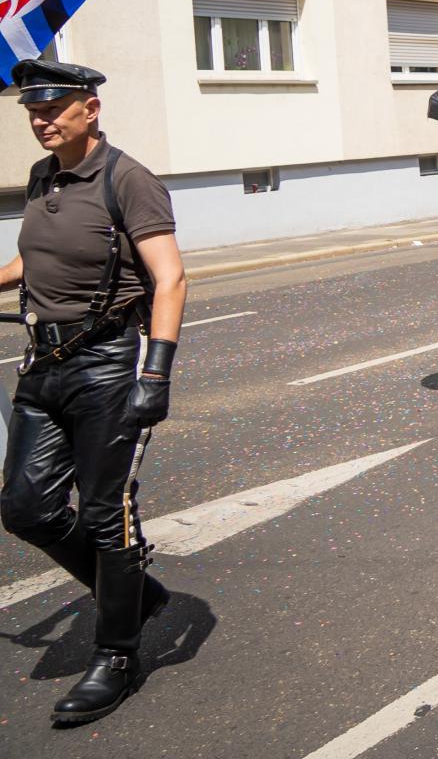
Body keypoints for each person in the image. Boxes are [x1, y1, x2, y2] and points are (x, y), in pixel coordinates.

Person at [0, 61, 188, 723]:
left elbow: (170, 278)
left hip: (107, 364)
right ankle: (136, 593)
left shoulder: (127, 179)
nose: (42, 120)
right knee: (25, 507)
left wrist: (155, 374)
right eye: (34, 110)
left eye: (55, 108)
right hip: (44, 363)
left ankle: (117, 655)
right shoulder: (42, 176)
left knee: (108, 514)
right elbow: (37, 259)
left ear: (91, 108)